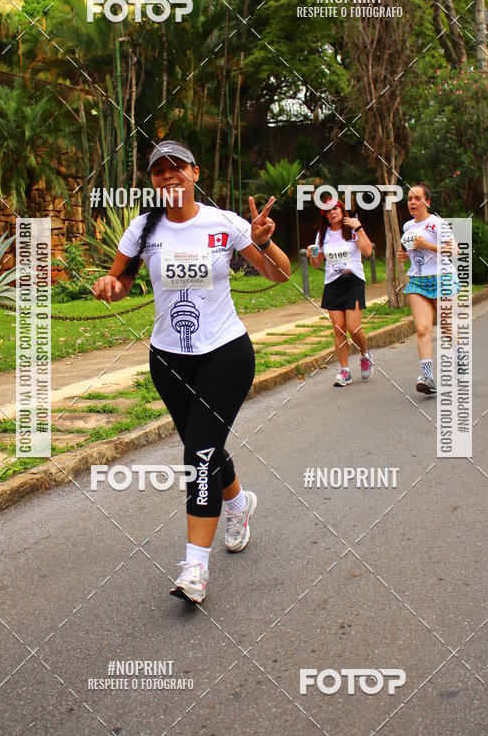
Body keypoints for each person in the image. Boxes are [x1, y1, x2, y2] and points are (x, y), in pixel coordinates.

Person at [92, 140, 290, 603]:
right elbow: (121, 282)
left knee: (199, 452)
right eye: (159, 171)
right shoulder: (142, 230)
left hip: (225, 352)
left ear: (195, 173)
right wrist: (110, 286)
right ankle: (238, 502)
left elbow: (278, 276)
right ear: (153, 180)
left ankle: (194, 569)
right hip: (168, 358)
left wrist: (263, 242)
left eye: (176, 167)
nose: (168, 176)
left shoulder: (224, 224)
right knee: (203, 445)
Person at [397, 183, 460, 394]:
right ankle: (427, 377)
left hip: (443, 277)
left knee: (446, 327)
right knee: (422, 328)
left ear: (427, 202)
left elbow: (455, 250)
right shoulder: (407, 227)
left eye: (417, 198)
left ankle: (459, 356)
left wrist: (428, 245)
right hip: (418, 279)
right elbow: (409, 251)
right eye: (409, 199)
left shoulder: (437, 223)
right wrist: (404, 256)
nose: (412, 202)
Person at [306, 199, 375, 386]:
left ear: (341, 209)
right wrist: (311, 255)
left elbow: (368, 251)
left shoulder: (353, 228)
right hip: (333, 284)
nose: (332, 212)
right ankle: (345, 371)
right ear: (325, 216)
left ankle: (364, 354)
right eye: (327, 211)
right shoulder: (323, 234)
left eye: (335, 208)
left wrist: (359, 228)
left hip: (353, 281)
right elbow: (317, 263)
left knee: (354, 328)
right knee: (338, 330)